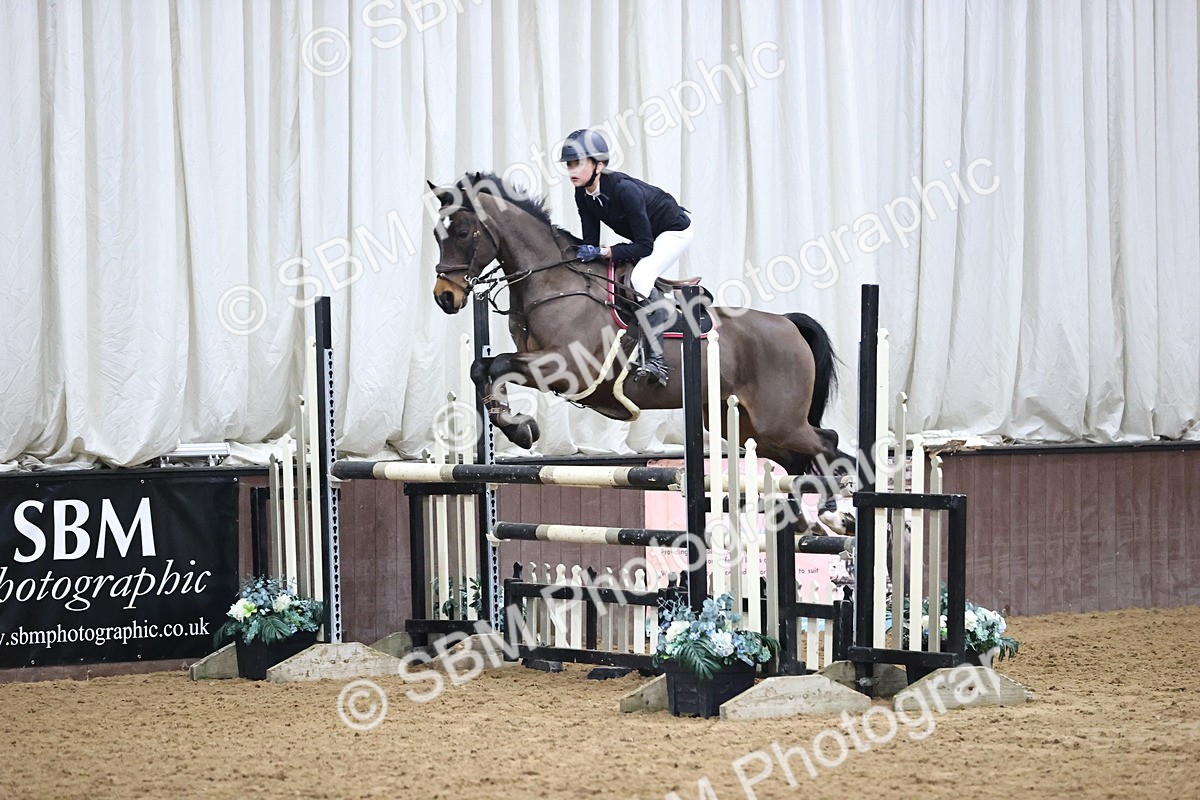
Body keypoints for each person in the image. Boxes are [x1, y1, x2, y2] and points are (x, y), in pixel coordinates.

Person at [559, 129, 692, 386]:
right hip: (648, 236)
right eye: (568, 164)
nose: (571, 170)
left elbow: (644, 246)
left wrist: (605, 252)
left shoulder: (624, 190)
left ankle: (656, 361)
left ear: (598, 165)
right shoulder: (582, 193)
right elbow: (591, 242)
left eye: (577, 163)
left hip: (674, 231)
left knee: (641, 279)